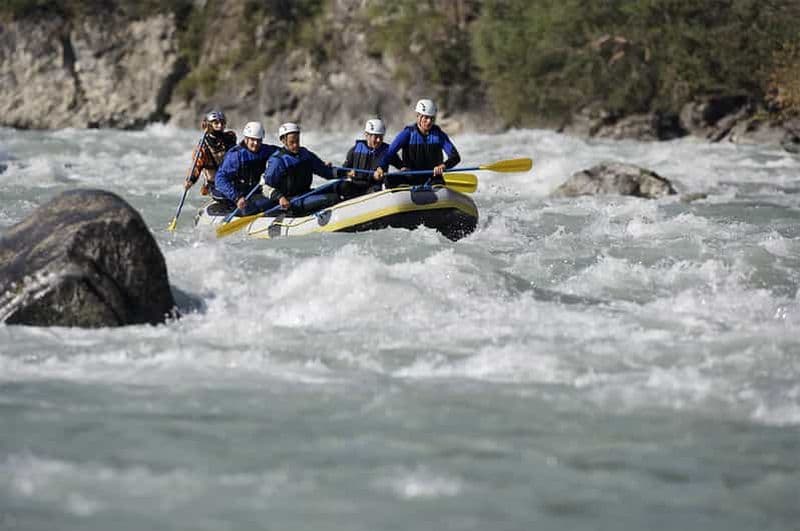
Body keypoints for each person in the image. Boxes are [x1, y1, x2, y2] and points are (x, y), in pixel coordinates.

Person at [373, 98, 461, 187]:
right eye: (426, 117)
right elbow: (389, 153)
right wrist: (380, 168)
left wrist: (443, 166)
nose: (429, 121)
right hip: (410, 177)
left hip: (433, 178)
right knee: (388, 180)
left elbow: (455, 157)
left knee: (437, 183)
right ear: (418, 116)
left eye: (432, 118)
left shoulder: (439, 135)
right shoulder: (407, 133)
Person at [261, 122, 339, 215]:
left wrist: (346, 173)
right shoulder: (277, 161)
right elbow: (265, 187)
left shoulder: (305, 154)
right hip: (292, 201)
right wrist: (280, 198)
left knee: (343, 186)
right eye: (292, 142)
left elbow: (325, 171)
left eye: (297, 141)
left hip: (307, 194)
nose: (295, 145)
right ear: (283, 140)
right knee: (333, 198)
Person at [213, 121, 279, 216]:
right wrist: (236, 197)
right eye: (252, 140)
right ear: (246, 139)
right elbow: (220, 179)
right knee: (254, 207)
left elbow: (283, 154)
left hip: (256, 192)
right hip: (239, 194)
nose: (256, 143)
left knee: (270, 202)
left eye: (258, 140)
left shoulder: (267, 150)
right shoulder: (235, 156)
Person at [336, 118, 403, 198]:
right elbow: (344, 170)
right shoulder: (354, 150)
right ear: (367, 135)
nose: (378, 140)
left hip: (373, 188)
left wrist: (403, 169)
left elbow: (401, 166)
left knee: (376, 190)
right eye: (376, 137)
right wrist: (348, 173)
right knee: (343, 186)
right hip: (355, 186)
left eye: (381, 137)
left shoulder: (388, 151)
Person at [184, 110, 237, 196]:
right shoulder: (203, 147)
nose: (220, 126)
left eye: (222, 123)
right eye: (216, 123)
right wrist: (190, 180)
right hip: (214, 185)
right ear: (209, 125)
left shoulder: (230, 137)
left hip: (232, 181)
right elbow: (196, 167)